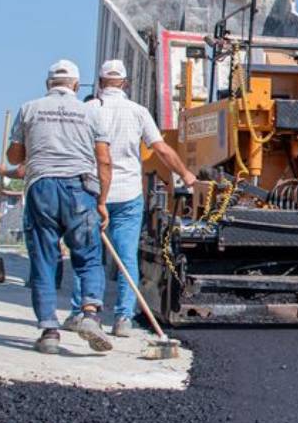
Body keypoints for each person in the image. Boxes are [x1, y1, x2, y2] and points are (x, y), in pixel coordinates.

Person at [64, 59, 199, 337]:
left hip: (92, 192)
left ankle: (81, 312)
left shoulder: (87, 110)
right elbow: (161, 149)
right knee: (126, 257)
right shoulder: (138, 112)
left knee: (87, 254)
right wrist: (186, 175)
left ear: (100, 82)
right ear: (125, 83)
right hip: (127, 194)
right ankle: (123, 318)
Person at [6, 59, 113, 355]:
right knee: (89, 256)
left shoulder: (30, 109)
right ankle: (90, 313)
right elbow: (104, 160)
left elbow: (15, 156)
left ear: (48, 85)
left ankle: (49, 331)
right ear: (76, 86)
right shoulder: (91, 113)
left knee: (44, 258)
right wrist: (102, 201)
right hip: (80, 189)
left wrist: (32, 142)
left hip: (42, 188)